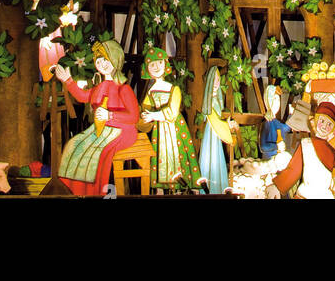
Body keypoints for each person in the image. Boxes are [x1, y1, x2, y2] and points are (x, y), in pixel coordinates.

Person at [54, 39, 139, 196]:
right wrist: (68, 80)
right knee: (74, 145)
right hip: (101, 129)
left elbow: (134, 117)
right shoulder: (100, 86)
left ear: (115, 59)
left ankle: (99, 191)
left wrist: (110, 115)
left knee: (97, 151)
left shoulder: (124, 88)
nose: (102, 64)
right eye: (99, 60)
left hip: (123, 131)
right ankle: (78, 191)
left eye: (105, 59)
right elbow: (83, 96)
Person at [266, 102, 335, 200]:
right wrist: (277, 186)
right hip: (305, 194)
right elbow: (294, 170)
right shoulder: (306, 144)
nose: (324, 126)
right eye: (322, 121)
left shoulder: (330, 150)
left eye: (329, 124)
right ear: (315, 120)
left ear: (333, 130)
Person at [139, 47, 202, 189]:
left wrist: (154, 115)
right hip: (159, 130)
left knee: (179, 156)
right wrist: (144, 114)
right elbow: (146, 107)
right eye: (152, 65)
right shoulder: (151, 91)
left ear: (165, 64)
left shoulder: (173, 89)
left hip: (175, 128)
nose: (156, 67)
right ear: (147, 68)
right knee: (161, 157)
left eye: (159, 63)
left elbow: (172, 112)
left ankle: (182, 189)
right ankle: (161, 188)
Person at [198, 65, 235, 195]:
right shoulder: (210, 100)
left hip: (216, 132)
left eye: (218, 80)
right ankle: (207, 188)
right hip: (211, 131)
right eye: (213, 80)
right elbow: (212, 117)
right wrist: (226, 126)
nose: (216, 83)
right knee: (210, 155)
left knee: (216, 156)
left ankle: (218, 187)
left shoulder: (218, 99)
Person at [260, 85, 291, 161]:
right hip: (269, 160)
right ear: (268, 101)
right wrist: (276, 146)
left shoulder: (276, 122)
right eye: (274, 99)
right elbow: (263, 147)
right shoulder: (266, 123)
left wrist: (290, 114)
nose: (277, 103)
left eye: (278, 100)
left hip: (280, 158)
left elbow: (286, 128)